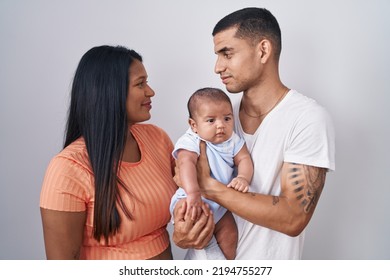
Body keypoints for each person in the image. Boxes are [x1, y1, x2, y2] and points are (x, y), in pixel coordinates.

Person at [172, 7, 335, 259]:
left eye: (227, 54)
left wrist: (209, 187)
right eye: (217, 56)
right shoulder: (216, 118)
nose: (217, 67)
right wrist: (182, 232)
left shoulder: (307, 118)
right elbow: (181, 179)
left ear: (263, 50)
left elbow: (293, 218)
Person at [40, 45, 179, 259]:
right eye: (140, 84)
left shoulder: (157, 139)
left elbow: (189, 194)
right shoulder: (68, 168)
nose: (150, 91)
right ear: (110, 92)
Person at [170, 87, 253, 259]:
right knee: (192, 226)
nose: (221, 125)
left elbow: (244, 159)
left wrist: (243, 177)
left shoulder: (233, 140)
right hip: (189, 198)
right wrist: (193, 193)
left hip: (221, 204)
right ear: (194, 125)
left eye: (227, 118)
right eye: (211, 120)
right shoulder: (192, 139)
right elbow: (186, 163)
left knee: (230, 236)